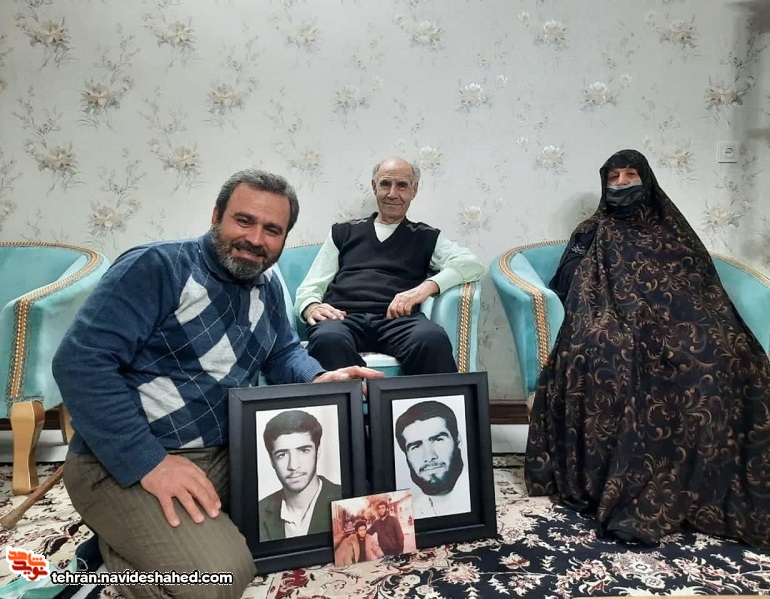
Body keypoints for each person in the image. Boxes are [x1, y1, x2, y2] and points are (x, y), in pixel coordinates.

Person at [51, 169, 383, 599]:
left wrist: (319, 377)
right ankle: (112, 551)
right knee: (220, 579)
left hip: (227, 453)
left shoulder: (268, 283)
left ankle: (135, 534)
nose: (255, 239)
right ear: (216, 216)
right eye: (244, 221)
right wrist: (150, 463)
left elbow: (282, 352)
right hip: (129, 459)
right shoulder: (157, 267)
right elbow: (80, 363)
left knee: (319, 522)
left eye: (272, 230)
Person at [526, 149, 770, 549]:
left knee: (730, 352)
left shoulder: (672, 229)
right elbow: (565, 283)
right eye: (613, 177)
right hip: (613, 318)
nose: (621, 183)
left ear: (647, 181)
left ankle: (705, 479)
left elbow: (701, 286)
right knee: (607, 350)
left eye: (630, 175)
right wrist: (593, 271)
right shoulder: (591, 230)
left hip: (675, 322)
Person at [294, 156, 483, 375]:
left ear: (414, 190)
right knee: (327, 339)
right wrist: (310, 306)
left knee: (432, 339)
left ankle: (426, 402)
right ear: (374, 187)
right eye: (385, 184)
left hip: (399, 320)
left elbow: (471, 264)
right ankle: (362, 398)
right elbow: (310, 286)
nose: (392, 193)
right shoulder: (343, 232)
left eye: (402, 185)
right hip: (343, 317)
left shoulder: (425, 236)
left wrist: (423, 289)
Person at [258, 409, 341, 541]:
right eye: (282, 455)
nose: (293, 465)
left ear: (318, 452)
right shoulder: (257, 512)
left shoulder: (345, 499)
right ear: (272, 461)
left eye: (304, 450)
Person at [394, 400, 470, 519]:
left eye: (438, 440)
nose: (429, 456)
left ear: (458, 440)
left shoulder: (477, 497)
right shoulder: (414, 511)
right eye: (416, 446)